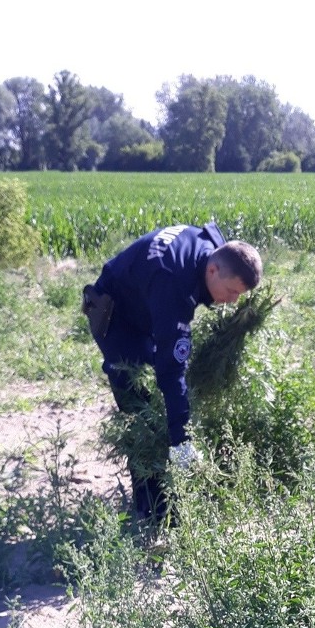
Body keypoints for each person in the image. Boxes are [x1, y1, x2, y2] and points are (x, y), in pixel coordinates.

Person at [82, 222, 263, 518]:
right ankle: (152, 508)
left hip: (143, 303)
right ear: (213, 271)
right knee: (140, 406)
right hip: (116, 318)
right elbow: (171, 371)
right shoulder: (173, 283)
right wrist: (182, 441)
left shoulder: (209, 249)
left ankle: (169, 496)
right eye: (231, 292)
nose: (233, 301)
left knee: (163, 396)